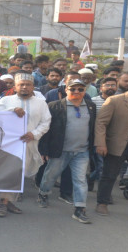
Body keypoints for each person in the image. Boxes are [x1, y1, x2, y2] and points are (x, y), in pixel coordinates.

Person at [37, 79, 97, 223]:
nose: (77, 91)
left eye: (80, 89)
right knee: (50, 175)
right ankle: (43, 193)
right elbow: (47, 130)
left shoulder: (90, 106)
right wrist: (44, 149)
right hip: (60, 150)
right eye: (73, 89)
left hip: (82, 152)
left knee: (80, 180)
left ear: (85, 91)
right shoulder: (55, 106)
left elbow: (93, 128)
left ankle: (79, 209)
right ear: (66, 89)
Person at [0, 72, 51, 217]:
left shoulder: (41, 103)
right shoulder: (6, 100)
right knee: (10, 172)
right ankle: (3, 203)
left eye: (28, 84)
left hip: (29, 144)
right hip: (9, 145)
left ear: (33, 87)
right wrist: (12, 111)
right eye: (21, 84)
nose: (24, 87)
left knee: (20, 174)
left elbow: (46, 122)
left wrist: (34, 134)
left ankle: (8, 201)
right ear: (15, 87)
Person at [94, 76, 128, 216]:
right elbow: (101, 123)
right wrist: (101, 143)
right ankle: (102, 203)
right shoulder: (115, 101)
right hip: (117, 144)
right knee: (109, 175)